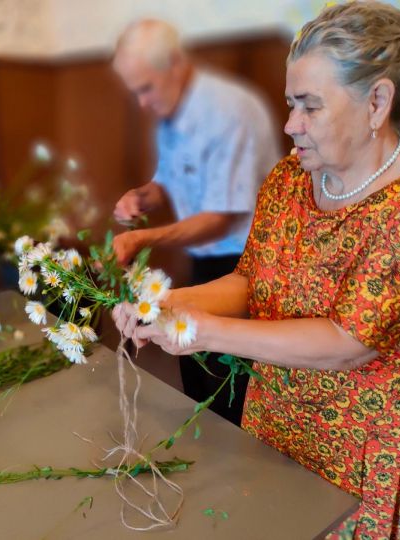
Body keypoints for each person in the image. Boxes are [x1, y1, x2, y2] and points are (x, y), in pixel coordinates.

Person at [113, 2, 400, 538]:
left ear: (377, 102)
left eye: (309, 106)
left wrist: (201, 332)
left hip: (367, 442)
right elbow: (250, 280)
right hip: (276, 418)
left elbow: (350, 340)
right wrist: (171, 307)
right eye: (289, 104)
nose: (290, 125)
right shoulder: (289, 179)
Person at [111, 19, 280, 424]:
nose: (141, 102)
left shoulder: (228, 111)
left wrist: (143, 239)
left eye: (145, 87)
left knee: (232, 389)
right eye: (134, 91)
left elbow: (222, 218)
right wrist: (142, 197)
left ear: (174, 63)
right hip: (206, 262)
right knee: (194, 368)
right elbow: (169, 178)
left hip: (249, 265)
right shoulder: (171, 113)